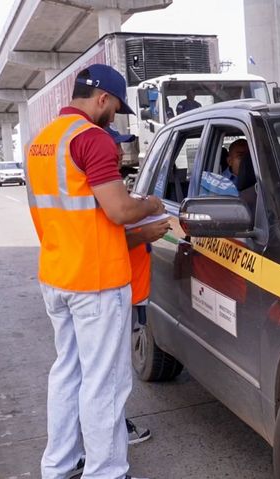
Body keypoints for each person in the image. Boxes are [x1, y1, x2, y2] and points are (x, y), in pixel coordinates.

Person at [25, 63, 165, 479]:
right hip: (97, 282)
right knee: (106, 383)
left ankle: (60, 465)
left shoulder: (41, 142)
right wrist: (150, 205)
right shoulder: (92, 138)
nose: (114, 117)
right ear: (103, 98)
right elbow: (119, 210)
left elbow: (81, 218)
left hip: (58, 274)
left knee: (68, 373)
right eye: (116, 107)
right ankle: (107, 472)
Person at [105, 126, 170, 447]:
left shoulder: (120, 191)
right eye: (114, 146)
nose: (119, 152)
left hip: (127, 288)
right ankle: (112, 433)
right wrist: (144, 232)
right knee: (110, 372)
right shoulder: (109, 196)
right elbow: (106, 241)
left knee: (109, 370)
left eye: (120, 146)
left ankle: (109, 427)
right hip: (111, 289)